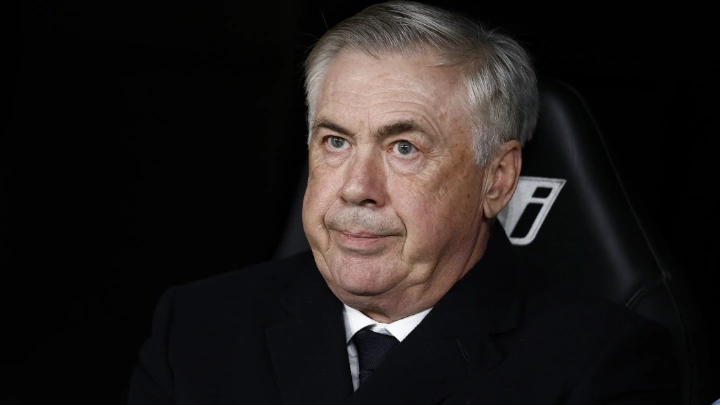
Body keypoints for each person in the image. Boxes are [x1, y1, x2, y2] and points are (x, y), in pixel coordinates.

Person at [127, 1, 680, 404]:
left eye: (404, 147)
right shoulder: (198, 328)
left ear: (497, 179)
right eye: (336, 141)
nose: (356, 186)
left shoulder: (602, 366)